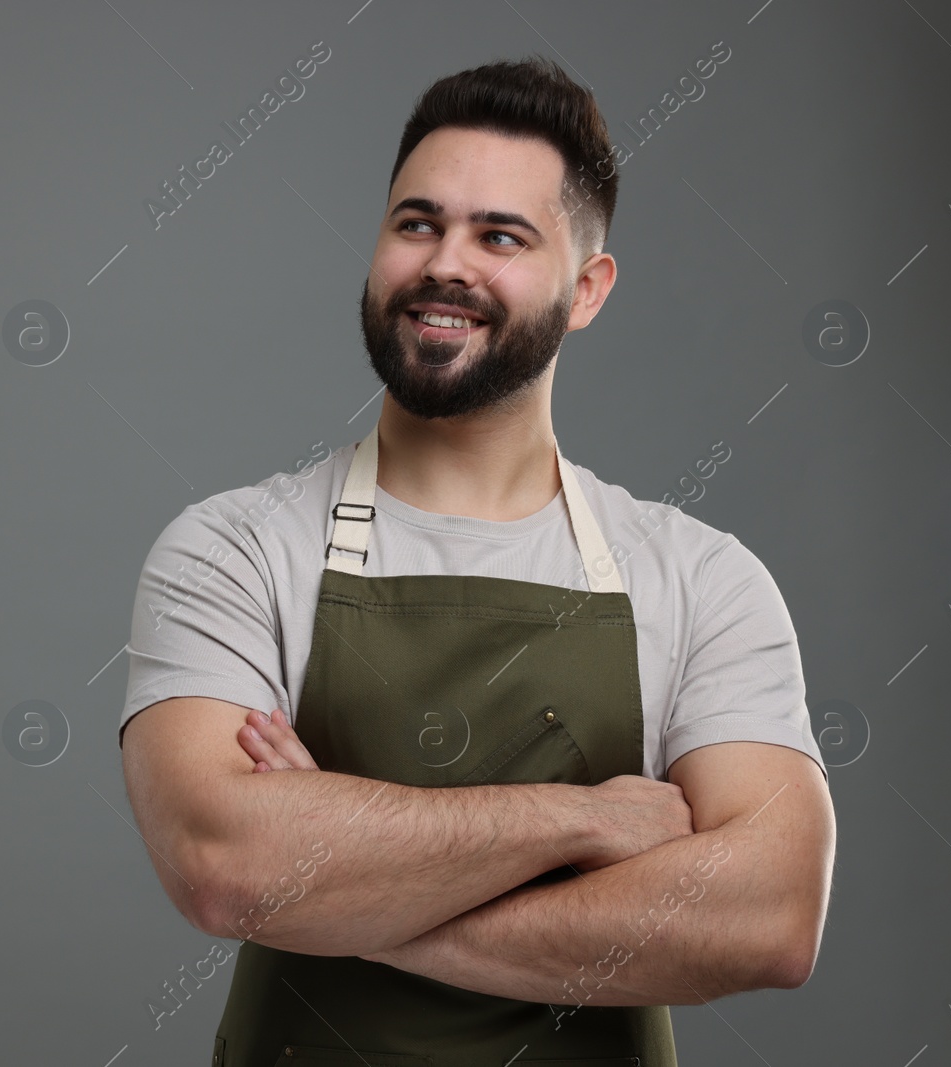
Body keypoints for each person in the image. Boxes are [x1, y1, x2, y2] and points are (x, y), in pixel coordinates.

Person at [118, 54, 835, 1066]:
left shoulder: (699, 576)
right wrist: (583, 820)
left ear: (586, 289)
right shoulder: (232, 548)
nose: (443, 263)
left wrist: (338, 890)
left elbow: (767, 915)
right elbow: (225, 866)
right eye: (417, 223)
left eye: (499, 235)